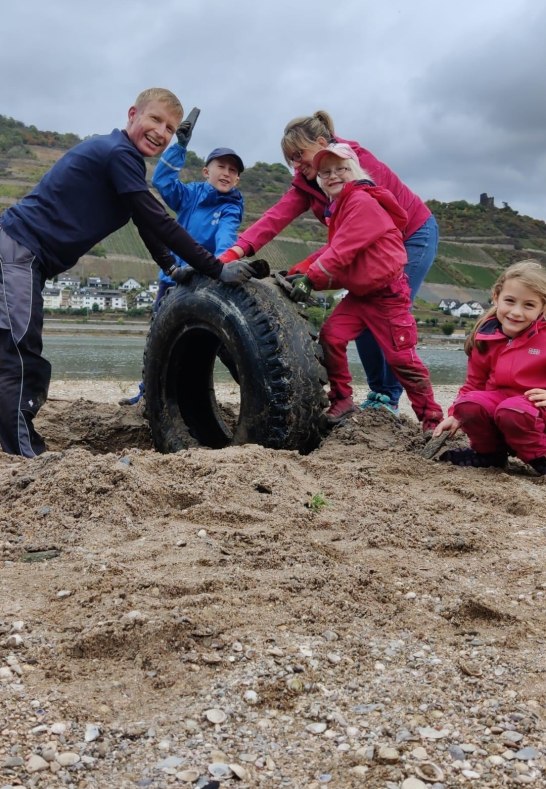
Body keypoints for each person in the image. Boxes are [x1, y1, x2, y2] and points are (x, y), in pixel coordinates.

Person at [0, 87, 254, 457]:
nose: (161, 132)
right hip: (17, 251)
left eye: (169, 128)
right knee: (20, 351)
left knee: (16, 347)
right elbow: (158, 220)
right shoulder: (118, 153)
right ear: (133, 114)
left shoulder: (125, 161)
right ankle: (23, 452)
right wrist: (215, 268)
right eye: (155, 119)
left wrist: (170, 266)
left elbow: (143, 223)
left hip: (23, 256)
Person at [220, 110, 439, 417]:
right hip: (362, 248)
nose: (297, 164)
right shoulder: (311, 181)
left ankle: (389, 396)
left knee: (388, 322)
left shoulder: (355, 168)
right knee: (349, 326)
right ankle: (367, 395)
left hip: (410, 235)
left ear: (322, 142)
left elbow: (352, 239)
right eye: (291, 159)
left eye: (300, 155)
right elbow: (274, 220)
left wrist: (315, 275)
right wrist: (235, 253)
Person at [287, 143, 443, 433]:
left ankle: (431, 419)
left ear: (356, 171)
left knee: (401, 358)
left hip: (388, 295)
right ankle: (343, 399)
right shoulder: (340, 208)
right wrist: (296, 272)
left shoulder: (362, 201)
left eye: (341, 169)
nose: (333, 176)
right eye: (325, 172)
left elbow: (343, 250)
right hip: (361, 295)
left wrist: (311, 278)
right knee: (332, 336)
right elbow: (333, 249)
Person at [119, 137, 245, 405]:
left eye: (233, 171)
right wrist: (179, 147)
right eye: (221, 166)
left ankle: (256, 391)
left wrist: (222, 264)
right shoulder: (191, 195)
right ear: (206, 171)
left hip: (208, 281)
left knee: (225, 345)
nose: (226, 173)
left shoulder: (231, 205)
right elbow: (162, 182)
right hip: (173, 278)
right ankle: (147, 395)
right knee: (159, 339)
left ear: (237, 180)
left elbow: (226, 235)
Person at [433, 260, 546, 475]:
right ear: (496, 296)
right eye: (510, 301)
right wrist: (455, 415)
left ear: (542, 308)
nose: (516, 312)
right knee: (468, 404)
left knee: (513, 410)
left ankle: (540, 456)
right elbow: (472, 384)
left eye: (528, 305)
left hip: (536, 410)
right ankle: (489, 454)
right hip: (500, 406)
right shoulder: (485, 337)